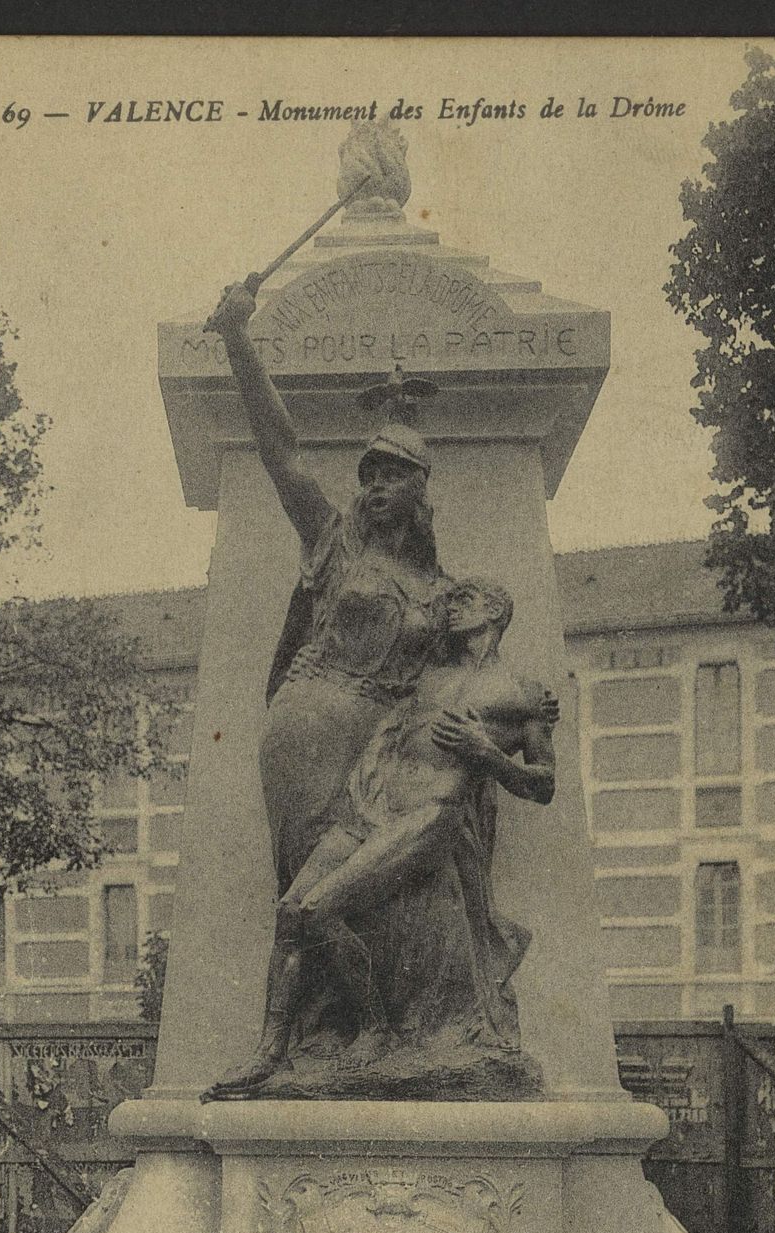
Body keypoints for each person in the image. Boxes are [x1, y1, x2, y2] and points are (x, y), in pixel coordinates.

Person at [203, 576, 557, 1097]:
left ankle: (374, 1027)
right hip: (369, 805)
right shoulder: (425, 672)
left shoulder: (524, 694)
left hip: (430, 814)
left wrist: (487, 753)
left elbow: (545, 784)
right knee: (290, 911)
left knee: (320, 910)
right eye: (451, 600)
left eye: (467, 599)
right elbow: (351, 675)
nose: (453, 608)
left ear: (498, 610)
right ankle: (267, 1052)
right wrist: (298, 668)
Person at [205, 277, 452, 901]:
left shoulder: (443, 591)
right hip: (310, 727)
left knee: (382, 898)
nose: (376, 487)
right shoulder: (334, 542)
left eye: (392, 476)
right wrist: (239, 341)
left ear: (419, 492)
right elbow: (282, 452)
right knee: (313, 894)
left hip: (384, 753)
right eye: (369, 475)